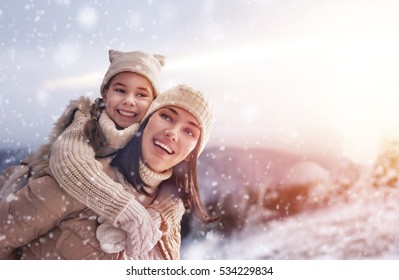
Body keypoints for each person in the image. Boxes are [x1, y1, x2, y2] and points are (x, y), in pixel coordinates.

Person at [0, 84, 216, 260]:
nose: (172, 132)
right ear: (146, 121)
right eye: (167, 116)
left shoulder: (167, 218)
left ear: (192, 153)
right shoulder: (81, 180)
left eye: (189, 131)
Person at [0, 49, 167, 255]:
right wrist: (122, 207)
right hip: (31, 207)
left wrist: (165, 209)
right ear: (105, 93)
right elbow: (71, 162)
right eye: (120, 91)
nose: (129, 100)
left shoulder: (151, 145)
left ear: (153, 103)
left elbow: (175, 184)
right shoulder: (84, 124)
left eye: (141, 94)